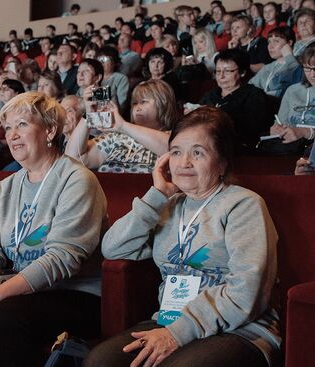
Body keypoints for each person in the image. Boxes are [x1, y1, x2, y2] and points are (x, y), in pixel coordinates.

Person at [83, 106, 280, 367]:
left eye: (198, 152)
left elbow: (246, 293)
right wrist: (155, 196)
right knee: (99, 361)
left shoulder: (244, 205)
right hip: (168, 320)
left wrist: (179, 332)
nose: (184, 162)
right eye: (176, 152)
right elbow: (113, 248)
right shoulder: (168, 205)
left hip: (239, 329)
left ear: (222, 162)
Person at [0, 91, 107, 367]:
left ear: (50, 130)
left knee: (8, 313)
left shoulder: (76, 179)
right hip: (23, 286)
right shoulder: (6, 187)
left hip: (75, 293)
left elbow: (63, 258)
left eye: (23, 125)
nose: (12, 135)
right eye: (9, 127)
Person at [66, 79, 179, 173]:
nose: (137, 107)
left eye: (143, 102)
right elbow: (73, 157)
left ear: (163, 103)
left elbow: (175, 149)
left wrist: (123, 126)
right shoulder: (115, 137)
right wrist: (88, 114)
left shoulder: (175, 135)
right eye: (134, 103)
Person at [199, 49, 271, 152]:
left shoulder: (254, 95)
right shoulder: (210, 95)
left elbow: (251, 129)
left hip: (239, 149)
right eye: (218, 71)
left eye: (227, 71)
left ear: (242, 72)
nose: (221, 76)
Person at [271, 45, 315, 149]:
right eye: (307, 68)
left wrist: (305, 132)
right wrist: (277, 129)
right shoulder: (292, 90)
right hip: (291, 147)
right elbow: (280, 122)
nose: (312, 74)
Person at [249, 26, 300, 97]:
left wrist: (289, 57)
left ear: (289, 43)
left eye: (276, 41)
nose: (270, 46)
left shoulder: (300, 64)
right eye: (269, 42)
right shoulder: (267, 67)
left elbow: (297, 80)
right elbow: (249, 88)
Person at [96, 47, 130, 111]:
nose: (102, 62)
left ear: (115, 62)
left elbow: (122, 105)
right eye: (100, 59)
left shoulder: (121, 78)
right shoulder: (94, 77)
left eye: (106, 59)